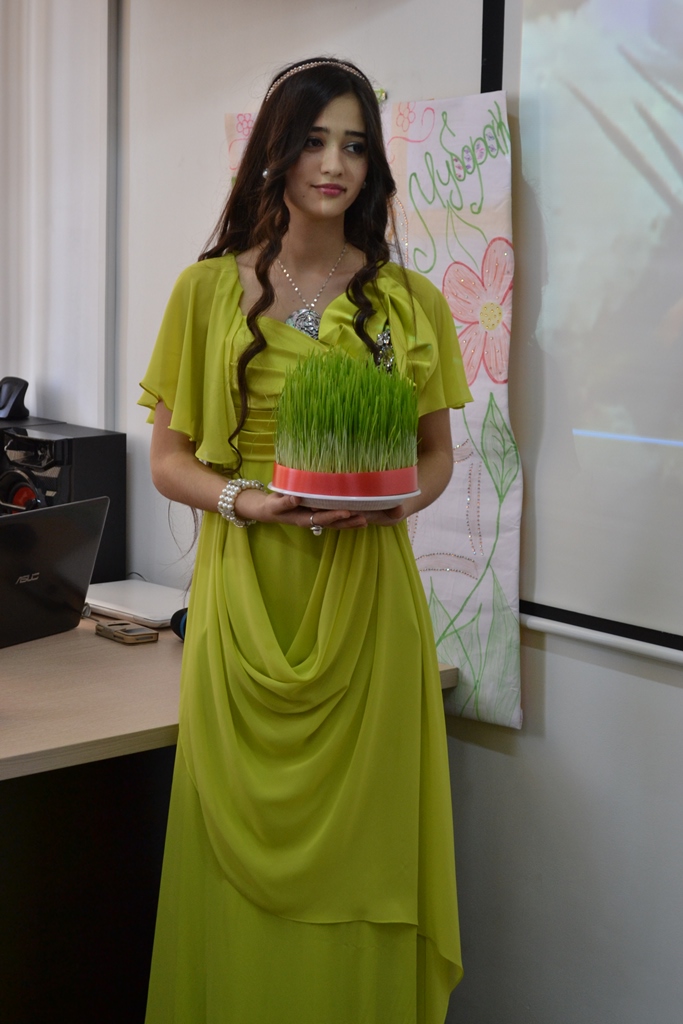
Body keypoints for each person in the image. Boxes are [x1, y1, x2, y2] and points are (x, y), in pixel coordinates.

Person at [139, 56, 472, 1024]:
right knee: (231, 839)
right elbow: (167, 460)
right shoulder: (206, 291)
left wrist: (395, 502)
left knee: (369, 845)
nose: (335, 164)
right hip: (247, 599)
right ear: (274, 153)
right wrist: (245, 501)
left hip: (369, 606)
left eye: (355, 146)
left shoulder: (409, 302)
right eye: (315, 141)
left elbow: (436, 456)